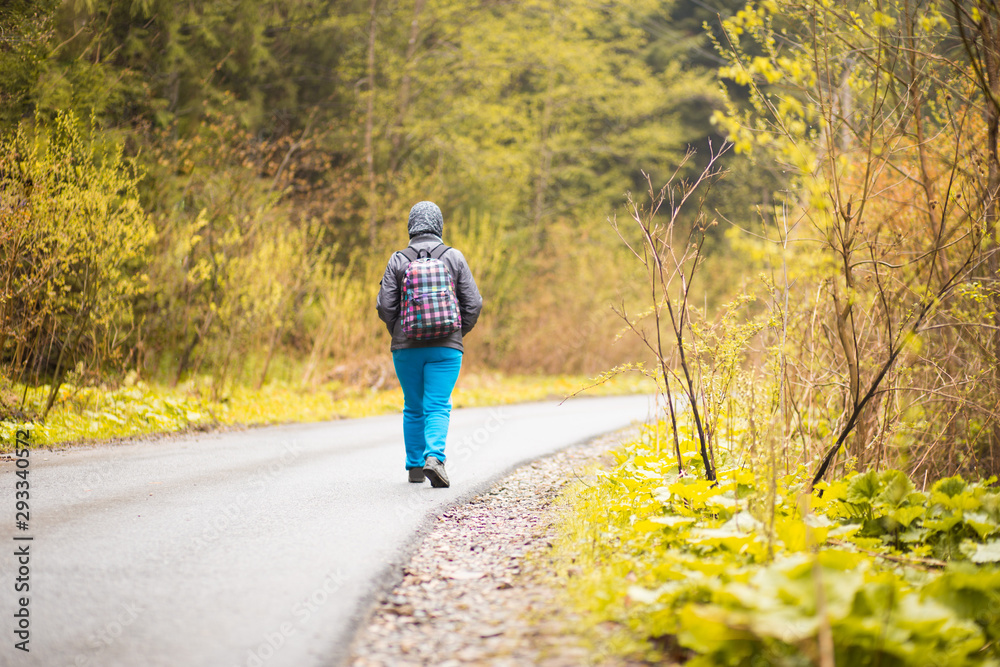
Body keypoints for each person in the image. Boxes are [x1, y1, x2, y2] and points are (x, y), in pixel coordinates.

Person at [376, 201, 483, 488]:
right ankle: (434, 458)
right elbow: (473, 303)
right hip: (446, 348)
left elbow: (386, 307)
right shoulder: (454, 257)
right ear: (439, 225)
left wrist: (399, 332)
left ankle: (413, 466)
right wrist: (456, 333)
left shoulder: (398, 259)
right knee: (438, 405)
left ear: (411, 225)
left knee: (413, 406)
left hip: (406, 347)